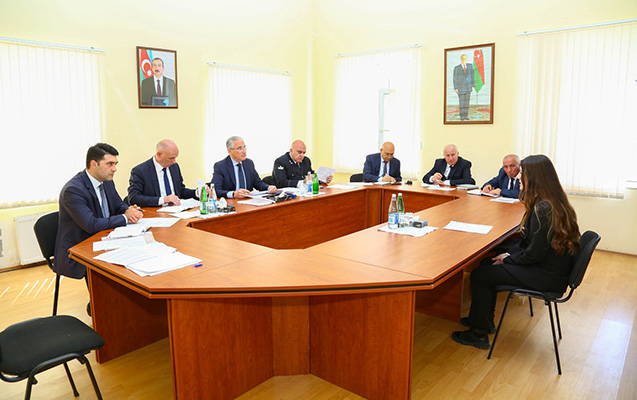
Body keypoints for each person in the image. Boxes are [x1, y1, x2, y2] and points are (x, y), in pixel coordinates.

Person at [451, 155, 581, 350]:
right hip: (549, 266)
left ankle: (478, 334)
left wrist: (509, 258)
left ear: (535, 178)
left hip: (547, 275)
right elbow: (532, 245)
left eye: (523, 174)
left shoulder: (543, 209)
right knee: (487, 262)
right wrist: (507, 255)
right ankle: (483, 320)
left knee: (480, 275)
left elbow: (533, 254)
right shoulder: (551, 201)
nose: (519, 177)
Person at [55, 143, 143, 317]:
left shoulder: (106, 182)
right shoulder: (73, 189)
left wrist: (128, 210)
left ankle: (124, 305)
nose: (115, 169)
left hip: (106, 237)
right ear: (94, 164)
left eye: (115, 164)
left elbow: (117, 204)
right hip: (81, 245)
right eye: (110, 164)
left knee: (140, 249)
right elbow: (91, 225)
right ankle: (102, 306)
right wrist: (125, 218)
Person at [128, 139, 202, 207]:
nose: (174, 162)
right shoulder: (140, 171)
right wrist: (163, 200)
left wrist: (197, 193)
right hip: (155, 212)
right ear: (159, 154)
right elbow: (134, 198)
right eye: (171, 158)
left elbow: (180, 191)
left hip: (177, 210)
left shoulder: (174, 167)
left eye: (175, 158)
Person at [212, 136, 277, 198]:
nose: (244, 151)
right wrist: (233, 194)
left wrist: (269, 187)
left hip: (248, 200)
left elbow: (257, 183)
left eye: (244, 147)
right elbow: (215, 190)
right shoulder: (220, 166)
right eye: (239, 148)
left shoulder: (248, 163)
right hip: (231, 202)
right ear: (230, 151)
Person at [453, 54, 474, 121]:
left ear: (467, 59)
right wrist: (456, 88)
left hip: (468, 88)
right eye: (462, 58)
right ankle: (462, 117)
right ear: (461, 59)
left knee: (466, 103)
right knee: (462, 103)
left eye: (465, 58)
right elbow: (455, 78)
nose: (464, 60)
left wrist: (473, 85)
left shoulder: (470, 66)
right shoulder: (457, 68)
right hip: (460, 88)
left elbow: (472, 76)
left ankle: (466, 116)